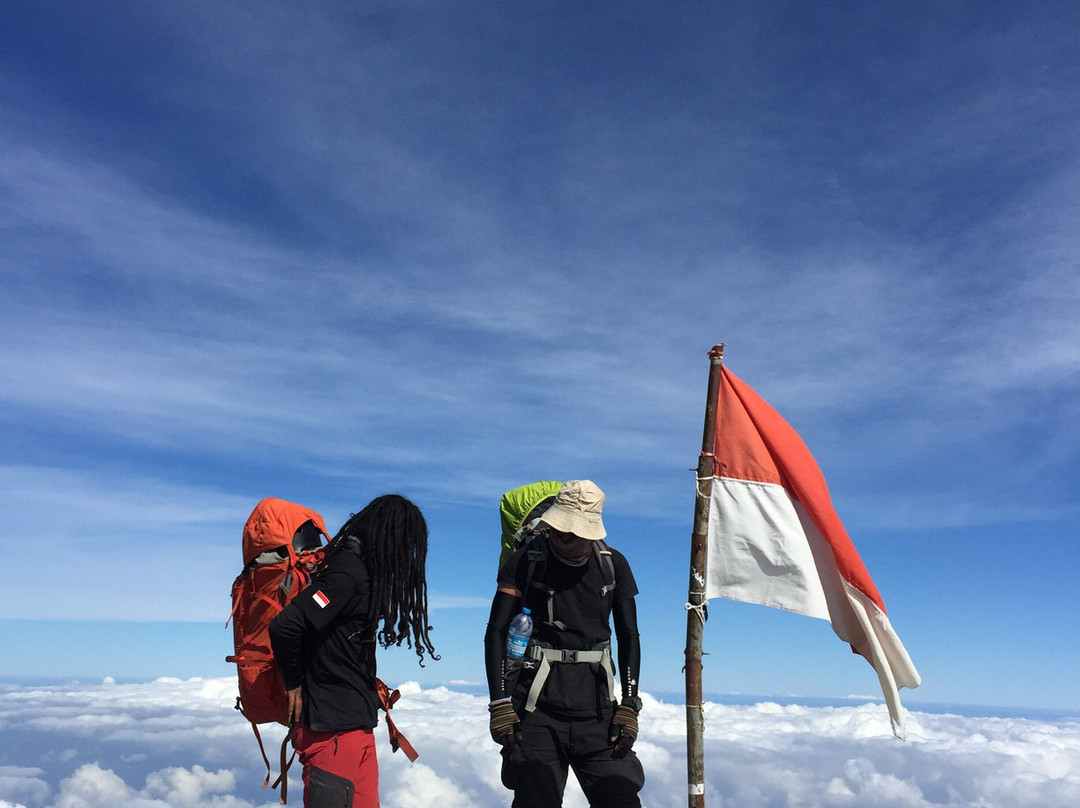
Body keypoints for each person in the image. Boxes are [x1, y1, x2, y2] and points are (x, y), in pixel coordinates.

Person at [484, 480, 645, 808]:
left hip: (598, 712)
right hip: (534, 712)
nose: (563, 536)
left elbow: (629, 636)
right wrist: (499, 702)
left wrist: (629, 704)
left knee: (621, 799)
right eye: (559, 528)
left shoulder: (614, 565)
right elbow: (496, 631)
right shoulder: (526, 560)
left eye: (573, 531)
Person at [269, 494, 437, 808]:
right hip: (331, 733)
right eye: (405, 542)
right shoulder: (347, 573)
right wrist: (293, 683)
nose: (407, 554)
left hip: (353, 728)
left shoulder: (358, 570)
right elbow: (285, 626)